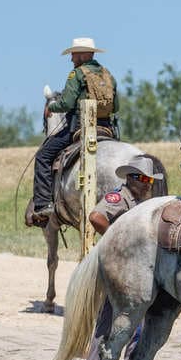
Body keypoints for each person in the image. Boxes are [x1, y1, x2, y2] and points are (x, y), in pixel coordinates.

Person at [76, 155, 163, 360]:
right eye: (143, 179)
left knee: (138, 316)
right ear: (131, 178)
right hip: (117, 267)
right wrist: (117, 241)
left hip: (132, 270)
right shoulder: (119, 197)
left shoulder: (137, 201)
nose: (147, 184)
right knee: (108, 320)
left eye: (150, 180)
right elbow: (96, 217)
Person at [32, 37, 119, 223]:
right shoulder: (107, 74)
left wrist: (52, 107)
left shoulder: (77, 74)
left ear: (84, 54)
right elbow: (116, 107)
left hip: (80, 128)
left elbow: (67, 103)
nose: (72, 58)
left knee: (43, 156)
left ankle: (42, 205)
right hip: (107, 128)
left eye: (74, 54)